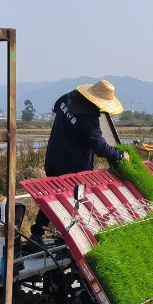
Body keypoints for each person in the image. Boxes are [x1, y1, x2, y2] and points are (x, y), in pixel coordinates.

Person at [30, 79, 129, 238]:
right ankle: (70, 238)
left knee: (53, 197)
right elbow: (100, 147)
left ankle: (37, 232)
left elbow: (56, 109)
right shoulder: (87, 117)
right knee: (73, 203)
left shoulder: (66, 98)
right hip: (72, 167)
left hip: (53, 159)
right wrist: (119, 154)